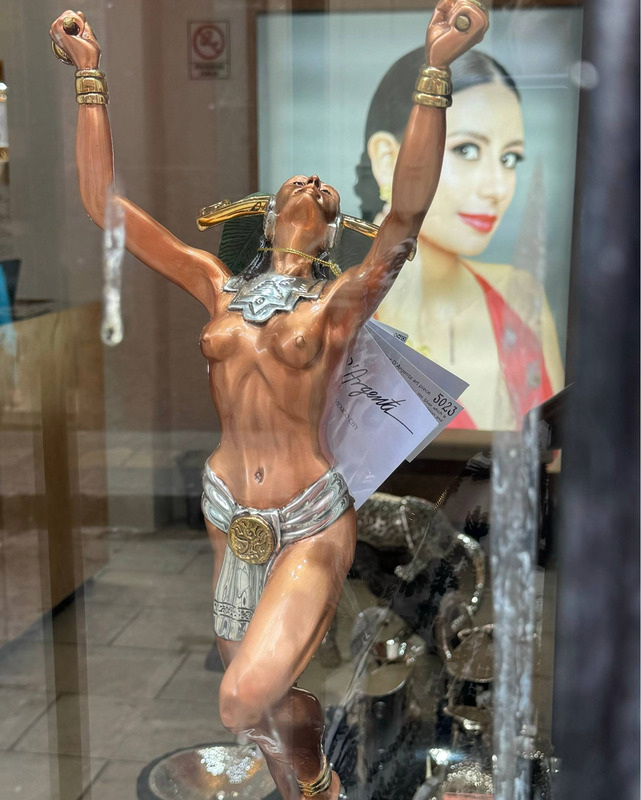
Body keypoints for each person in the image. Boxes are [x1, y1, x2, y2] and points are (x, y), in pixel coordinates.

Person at [49, 3, 488, 798]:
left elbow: (407, 215)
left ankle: (311, 780)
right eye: (297, 181)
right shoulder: (217, 285)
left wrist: (435, 69)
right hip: (228, 513)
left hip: (309, 520)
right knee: (263, 709)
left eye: (323, 193)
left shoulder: (337, 307)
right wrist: (90, 79)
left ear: (331, 229)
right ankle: (312, 786)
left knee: (238, 695)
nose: (311, 183)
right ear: (264, 212)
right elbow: (104, 208)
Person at [356, 47, 564, 430]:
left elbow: (559, 464)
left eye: (509, 158)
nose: (497, 188)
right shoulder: (337, 309)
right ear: (387, 158)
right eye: (467, 150)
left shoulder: (520, 297)